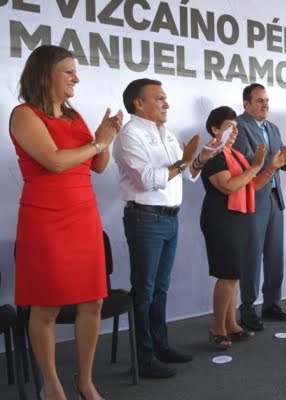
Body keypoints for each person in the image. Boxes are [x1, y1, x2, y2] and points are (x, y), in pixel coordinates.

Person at [10, 45, 122, 400]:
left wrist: (107, 138)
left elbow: (98, 166)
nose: (76, 78)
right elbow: (55, 162)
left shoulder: (75, 117)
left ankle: (84, 380)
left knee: (93, 302)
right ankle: (51, 384)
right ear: (46, 74)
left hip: (83, 216)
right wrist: (97, 143)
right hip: (45, 219)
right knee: (46, 305)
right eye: (68, 71)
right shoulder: (24, 114)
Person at [112, 78, 220, 379]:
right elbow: (149, 179)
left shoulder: (167, 134)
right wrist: (185, 162)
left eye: (165, 98)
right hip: (145, 218)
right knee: (144, 291)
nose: (166, 104)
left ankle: (160, 346)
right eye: (159, 98)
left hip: (168, 218)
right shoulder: (129, 135)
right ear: (138, 103)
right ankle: (143, 358)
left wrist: (199, 161)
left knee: (159, 288)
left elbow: (186, 175)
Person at [200, 106, 286, 349]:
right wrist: (255, 167)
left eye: (236, 128)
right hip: (221, 219)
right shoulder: (212, 155)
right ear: (214, 129)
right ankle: (217, 328)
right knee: (227, 276)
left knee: (235, 276)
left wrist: (271, 165)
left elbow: (253, 185)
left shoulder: (235, 154)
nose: (233, 133)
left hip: (239, 218)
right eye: (228, 128)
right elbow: (229, 186)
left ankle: (231, 324)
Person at [233, 83, 286, 331]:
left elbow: (281, 166)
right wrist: (279, 156)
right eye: (259, 101)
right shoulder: (238, 127)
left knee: (275, 255)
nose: (265, 105)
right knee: (251, 256)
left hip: (275, 200)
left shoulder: (273, 128)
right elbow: (246, 163)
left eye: (266, 100)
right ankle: (247, 309)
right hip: (254, 199)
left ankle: (272, 304)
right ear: (246, 104)